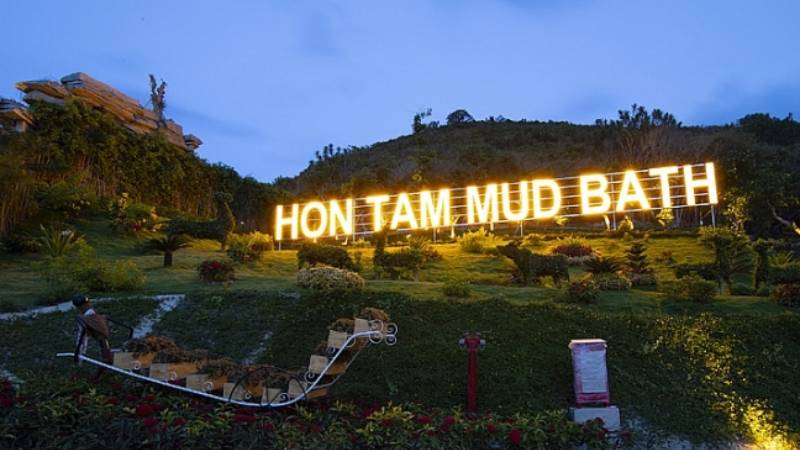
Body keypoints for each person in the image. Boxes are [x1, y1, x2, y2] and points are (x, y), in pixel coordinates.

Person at [71, 294, 112, 379]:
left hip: (104, 343)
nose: (89, 305)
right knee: (108, 359)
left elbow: (82, 340)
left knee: (108, 360)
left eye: (88, 303)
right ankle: (95, 379)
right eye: (86, 304)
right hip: (103, 343)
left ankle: (94, 379)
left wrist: (79, 355)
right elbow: (83, 340)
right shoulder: (88, 317)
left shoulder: (87, 317)